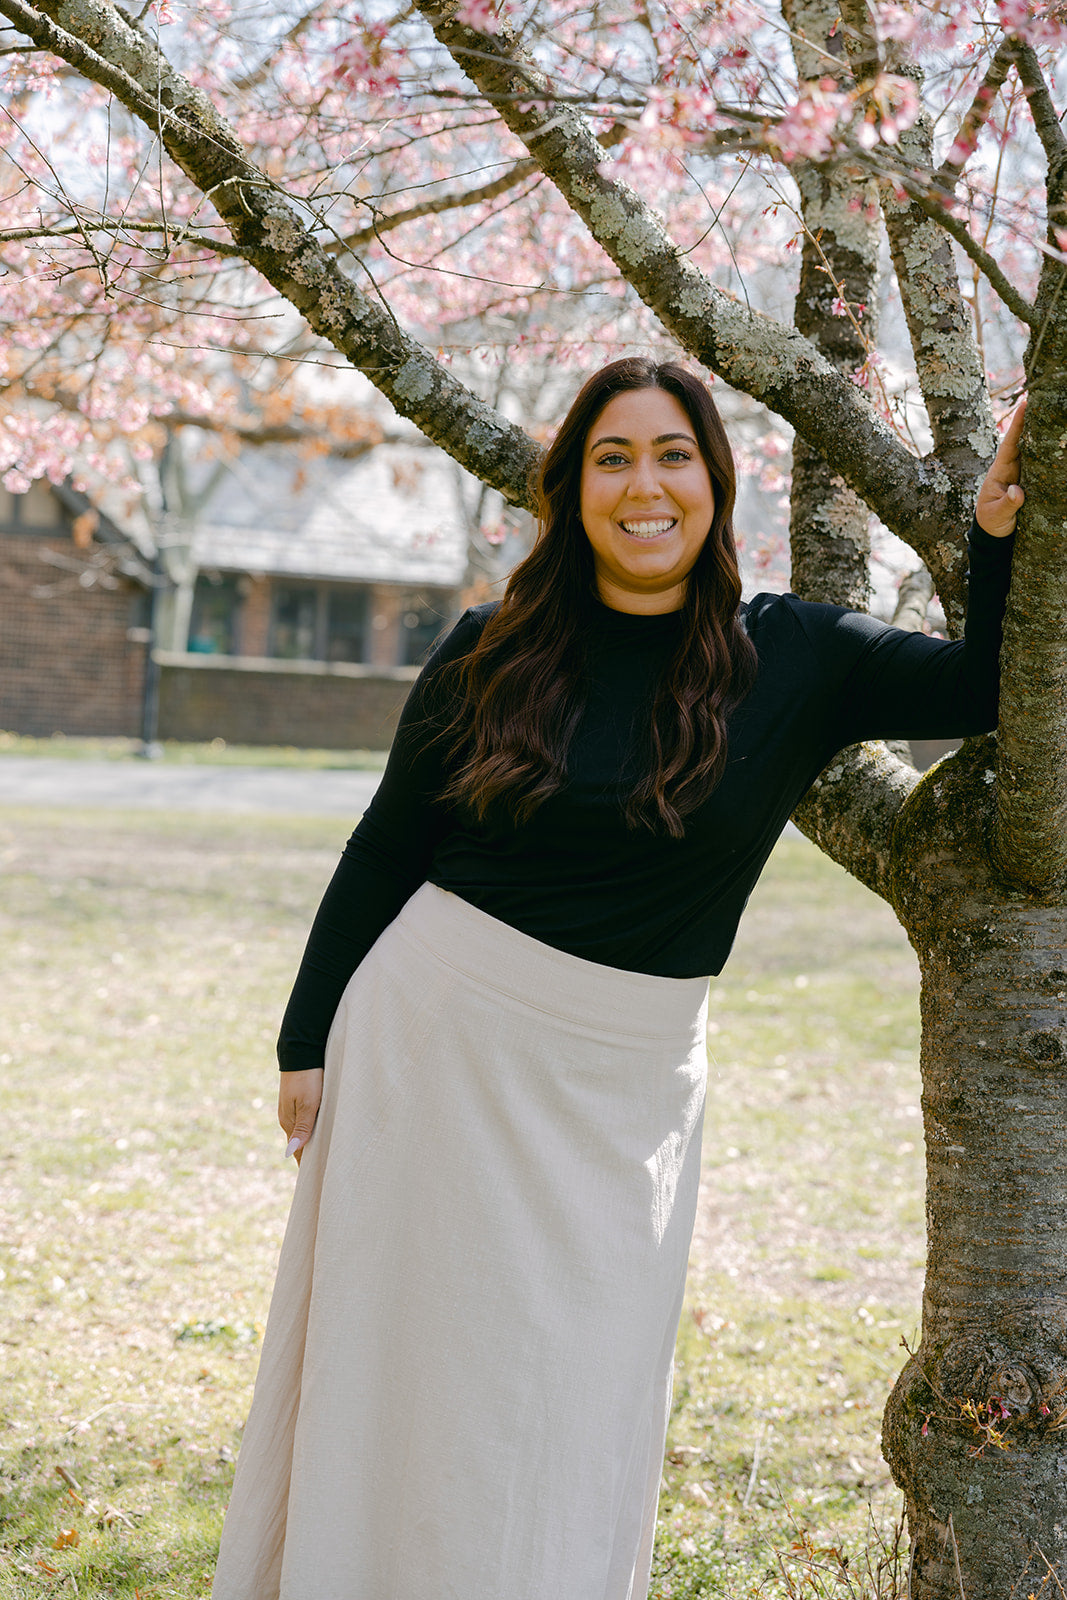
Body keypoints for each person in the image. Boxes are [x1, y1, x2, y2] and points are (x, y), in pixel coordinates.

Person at [211, 358, 1023, 1600]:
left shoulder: (794, 651)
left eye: (672, 454)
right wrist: (303, 1039)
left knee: (568, 1388)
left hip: (626, 1083)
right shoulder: (491, 649)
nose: (643, 484)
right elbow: (387, 842)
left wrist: (992, 531)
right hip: (434, 1051)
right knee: (411, 1377)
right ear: (571, 489)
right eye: (611, 457)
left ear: (713, 481)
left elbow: (980, 687)